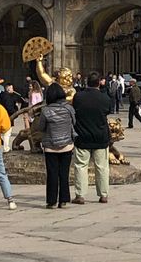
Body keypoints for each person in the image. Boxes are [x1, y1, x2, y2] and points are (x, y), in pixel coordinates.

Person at [72, 71, 113, 204]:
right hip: (100, 136)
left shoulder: (78, 97)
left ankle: (80, 195)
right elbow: (107, 111)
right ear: (99, 83)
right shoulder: (105, 98)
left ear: (87, 82)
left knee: (81, 166)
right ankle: (103, 194)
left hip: (83, 136)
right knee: (102, 167)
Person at [36, 82, 77, 208]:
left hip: (50, 146)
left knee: (52, 174)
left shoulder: (45, 110)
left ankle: (52, 201)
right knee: (64, 173)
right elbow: (74, 122)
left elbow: (40, 127)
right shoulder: (69, 108)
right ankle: (63, 199)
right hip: (66, 145)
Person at [0, 83, 27, 152]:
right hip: (8, 116)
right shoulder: (7, 97)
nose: (13, 90)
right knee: (7, 133)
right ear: (8, 89)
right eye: (12, 88)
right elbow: (9, 108)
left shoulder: (3, 95)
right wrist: (16, 110)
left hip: (3, 115)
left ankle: (2, 145)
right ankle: (6, 148)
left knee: (3, 132)